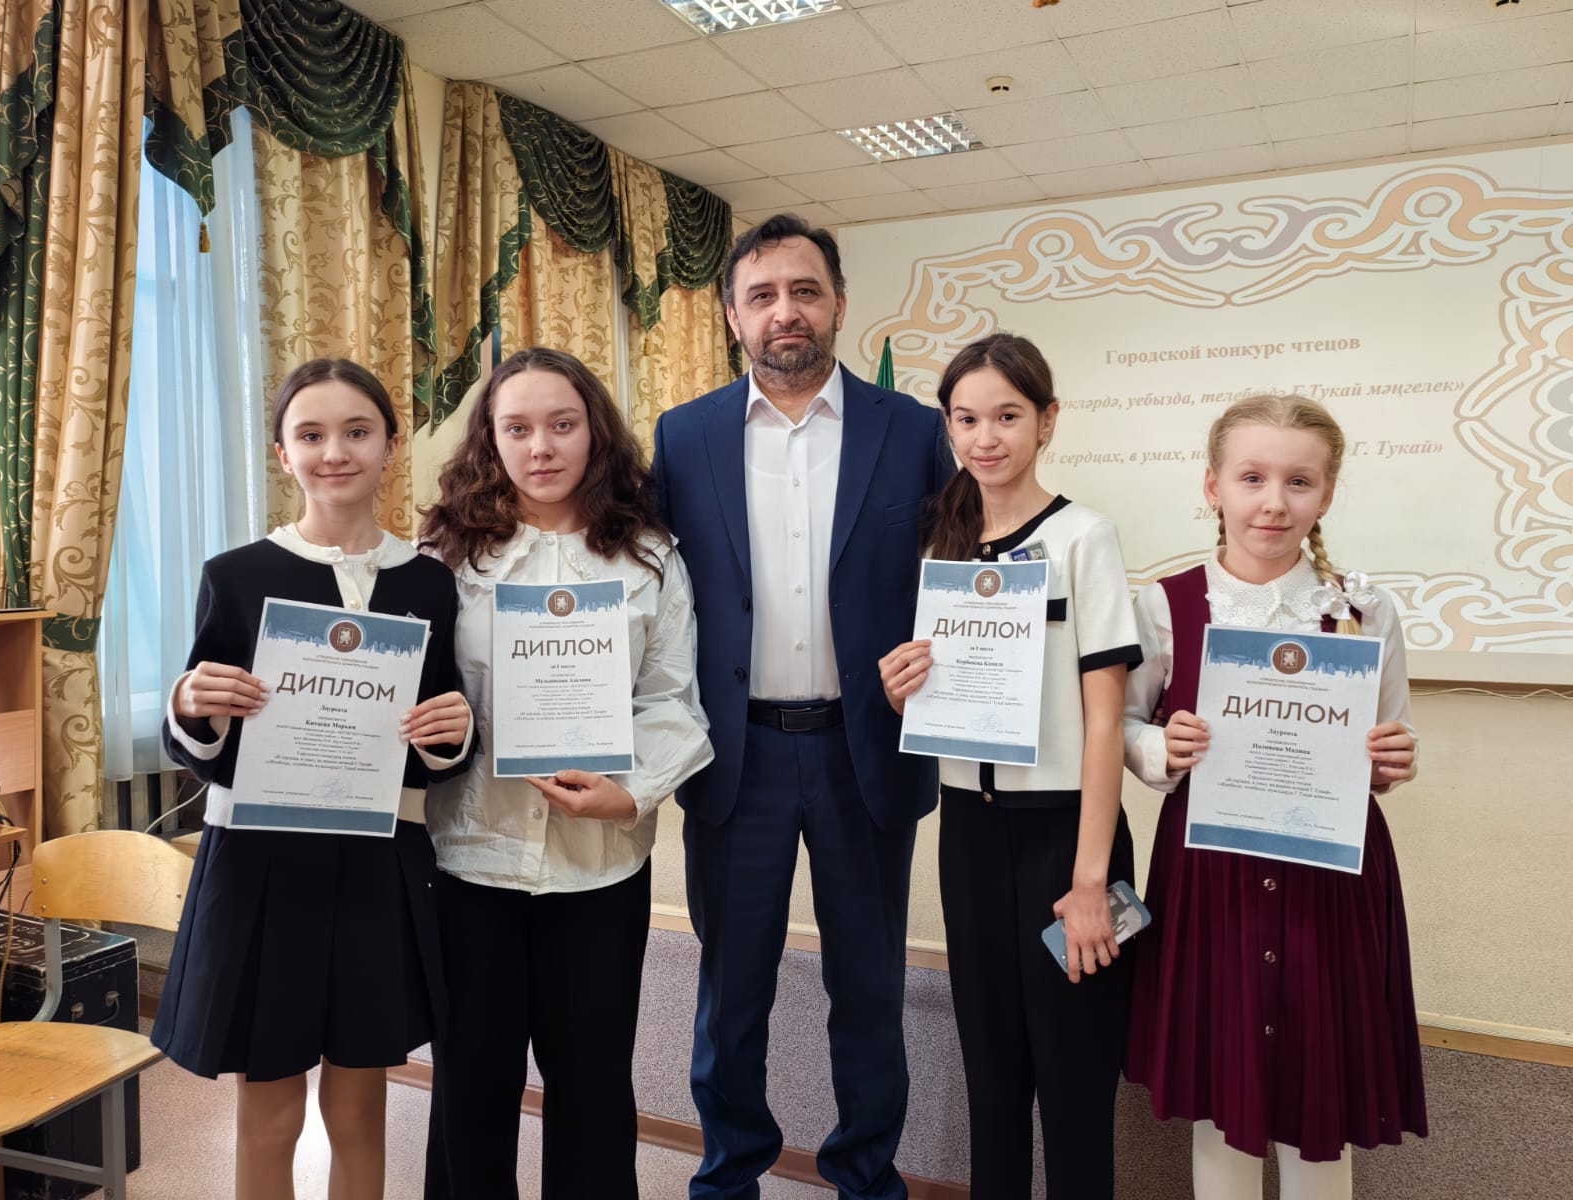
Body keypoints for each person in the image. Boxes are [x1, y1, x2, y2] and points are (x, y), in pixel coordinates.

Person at [651, 212, 955, 1200]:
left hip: (864, 753)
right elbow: (646, 581)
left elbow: (963, 572)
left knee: (867, 991)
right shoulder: (684, 436)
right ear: (733, 316)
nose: (786, 311)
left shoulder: (912, 432)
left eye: (805, 291)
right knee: (731, 995)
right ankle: (728, 1177)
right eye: (763, 295)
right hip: (734, 758)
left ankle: (866, 1177)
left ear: (838, 305)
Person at [153, 359, 473, 1200]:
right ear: (283, 453)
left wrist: (454, 735)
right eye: (311, 434)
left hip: (379, 862)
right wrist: (189, 703)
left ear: (391, 446)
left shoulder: (430, 582)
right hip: (262, 865)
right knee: (268, 1113)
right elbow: (204, 741)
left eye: (357, 432)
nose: (335, 452)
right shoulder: (235, 575)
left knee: (362, 1110)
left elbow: (441, 739)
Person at [418, 346, 713, 1200]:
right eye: (517, 428)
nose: (541, 446)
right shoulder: (444, 556)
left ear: (596, 432)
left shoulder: (650, 557)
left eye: (562, 424)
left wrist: (634, 793)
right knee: (471, 1087)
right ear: (490, 438)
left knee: (591, 1089)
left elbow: (673, 699)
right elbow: (417, 697)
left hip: (598, 871)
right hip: (471, 861)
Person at [1122, 395, 1427, 1200]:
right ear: (1213, 486)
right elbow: (1121, 722)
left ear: (1326, 495)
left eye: (1299, 481)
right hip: (1210, 875)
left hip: (1329, 877)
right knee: (1220, 1094)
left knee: (1318, 1091)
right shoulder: (1164, 605)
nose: (1273, 502)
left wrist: (1394, 758)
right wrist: (1158, 747)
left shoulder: (1364, 610)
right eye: (1251, 477)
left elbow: (1390, 735)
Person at [878, 333, 1142, 1199]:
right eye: (966, 419)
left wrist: (1091, 881)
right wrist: (902, 692)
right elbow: (939, 701)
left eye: (1007, 416)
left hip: (1069, 840)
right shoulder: (940, 545)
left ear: (1046, 421)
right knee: (991, 1084)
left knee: (1074, 1089)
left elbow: (1105, 721)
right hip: (969, 835)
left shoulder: (1084, 537)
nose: (985, 438)